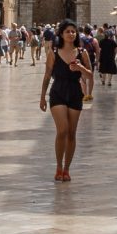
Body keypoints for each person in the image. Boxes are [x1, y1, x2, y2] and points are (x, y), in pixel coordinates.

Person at [43, 21, 92, 181]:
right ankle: (58, 166)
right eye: (67, 31)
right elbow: (47, 74)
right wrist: (42, 96)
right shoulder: (54, 52)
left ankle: (66, 168)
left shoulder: (82, 52)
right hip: (57, 92)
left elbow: (90, 75)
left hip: (75, 93)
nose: (71, 34)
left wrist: (81, 69)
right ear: (61, 34)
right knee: (62, 130)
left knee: (71, 133)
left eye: (73, 31)